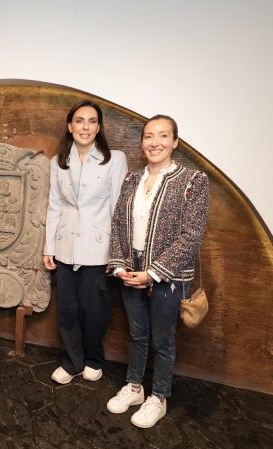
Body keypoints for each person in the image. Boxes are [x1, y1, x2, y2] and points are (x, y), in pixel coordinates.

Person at [106, 115, 209, 428]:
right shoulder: (131, 180)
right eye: (149, 136)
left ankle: (158, 397)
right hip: (130, 272)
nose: (155, 143)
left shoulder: (193, 181)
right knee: (136, 334)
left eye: (163, 136)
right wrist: (120, 265)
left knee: (163, 341)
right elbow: (119, 225)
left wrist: (152, 272)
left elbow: (191, 235)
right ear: (142, 143)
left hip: (169, 277)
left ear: (175, 142)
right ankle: (135, 387)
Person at [43, 100, 127, 384]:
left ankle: (93, 359)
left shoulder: (114, 159)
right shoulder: (58, 162)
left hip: (98, 248)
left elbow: (118, 209)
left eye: (92, 121)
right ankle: (72, 362)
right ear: (70, 126)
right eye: (79, 121)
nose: (85, 127)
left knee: (95, 311)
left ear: (99, 127)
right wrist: (49, 248)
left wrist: (118, 255)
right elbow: (54, 206)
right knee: (67, 309)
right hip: (65, 246)